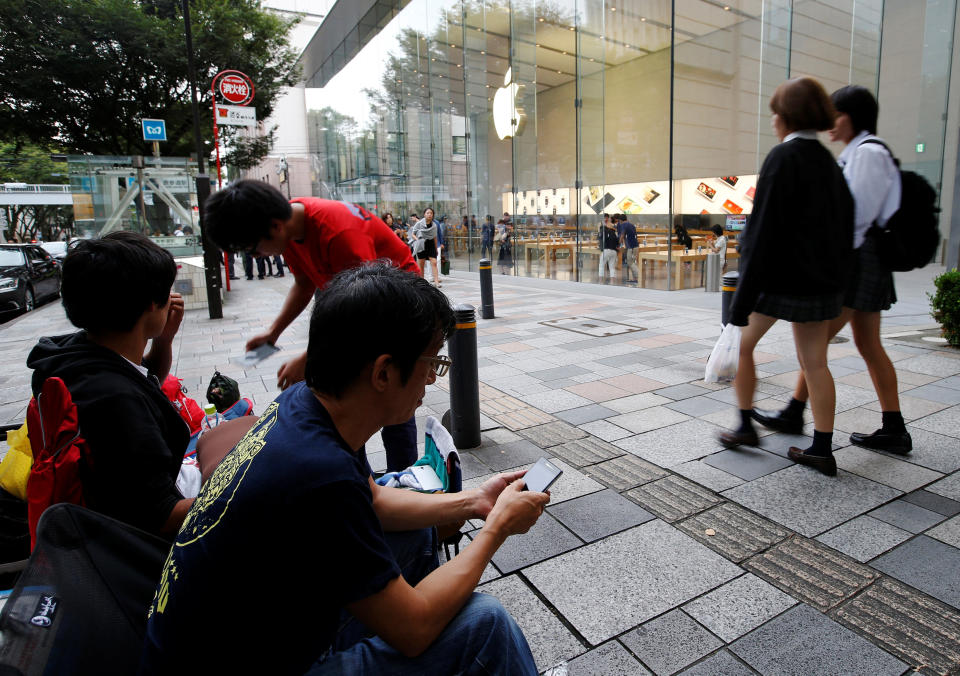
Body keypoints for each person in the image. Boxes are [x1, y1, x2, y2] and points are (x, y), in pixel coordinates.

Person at [141, 263, 547, 675]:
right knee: (483, 623)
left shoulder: (302, 402)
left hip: (238, 630)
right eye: (431, 362)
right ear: (383, 372)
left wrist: (474, 501)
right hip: (239, 661)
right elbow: (415, 627)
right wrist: (497, 527)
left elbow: (371, 499)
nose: (431, 378)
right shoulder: (319, 475)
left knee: (415, 537)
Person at [203, 180, 423, 472]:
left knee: (392, 391)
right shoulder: (293, 227)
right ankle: (362, 481)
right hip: (364, 306)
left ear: (274, 226)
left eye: (253, 250)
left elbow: (366, 308)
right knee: (347, 392)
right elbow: (304, 283)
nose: (257, 257)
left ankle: (404, 476)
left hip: (399, 307)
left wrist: (309, 359)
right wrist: (274, 333)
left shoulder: (339, 234)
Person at [753, 85, 911, 455]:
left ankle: (805, 421)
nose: (828, 124)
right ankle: (893, 427)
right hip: (860, 258)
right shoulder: (856, 153)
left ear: (851, 116)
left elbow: (856, 216)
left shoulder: (869, 153)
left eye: (834, 115)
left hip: (859, 259)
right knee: (865, 344)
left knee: (816, 345)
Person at [26, 233, 203, 538]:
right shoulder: (116, 400)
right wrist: (245, 494)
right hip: (143, 539)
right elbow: (160, 515)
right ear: (151, 304)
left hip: (109, 504)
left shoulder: (71, 355)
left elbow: (140, 378)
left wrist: (163, 340)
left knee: (231, 435)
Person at [720, 76, 854, 477]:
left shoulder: (783, 157)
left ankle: (744, 425)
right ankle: (822, 449)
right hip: (821, 285)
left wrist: (740, 302)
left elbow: (761, 234)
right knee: (815, 361)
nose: (773, 120)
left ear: (786, 117)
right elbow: (845, 227)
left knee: (742, 345)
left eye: (776, 113)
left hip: (780, 282)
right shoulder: (830, 164)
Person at [412, 207, 441, 287]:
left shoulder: (434, 225)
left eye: (431, 213)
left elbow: (435, 237)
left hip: (431, 244)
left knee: (434, 262)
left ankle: (436, 282)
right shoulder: (419, 223)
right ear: (424, 214)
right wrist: (417, 239)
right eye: (427, 213)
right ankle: (422, 282)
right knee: (421, 264)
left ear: (433, 215)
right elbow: (413, 234)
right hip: (421, 244)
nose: (429, 214)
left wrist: (436, 248)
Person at [618, 213, 640, 283]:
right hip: (635, 245)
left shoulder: (624, 225)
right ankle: (635, 279)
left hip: (631, 247)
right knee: (632, 262)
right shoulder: (632, 225)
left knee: (630, 262)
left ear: (620, 220)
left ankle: (639, 276)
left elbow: (622, 235)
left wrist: (619, 243)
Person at [599, 214, 619, 284]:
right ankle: (612, 281)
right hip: (614, 251)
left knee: (601, 265)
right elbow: (617, 241)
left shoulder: (603, 229)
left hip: (606, 250)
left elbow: (601, 238)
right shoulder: (613, 231)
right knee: (612, 266)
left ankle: (601, 280)